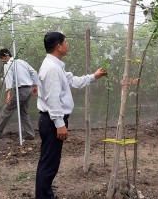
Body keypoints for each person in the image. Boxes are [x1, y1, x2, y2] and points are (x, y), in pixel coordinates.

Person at [35, 32, 107, 199]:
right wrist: (60, 124)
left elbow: (73, 81)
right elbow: (52, 99)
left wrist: (93, 77)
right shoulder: (52, 68)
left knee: (49, 162)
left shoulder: (56, 65)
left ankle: (44, 194)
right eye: (65, 42)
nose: (67, 45)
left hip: (52, 120)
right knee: (49, 164)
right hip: (52, 121)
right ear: (59, 46)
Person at [0, 48, 38, 140]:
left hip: (22, 91)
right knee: (23, 113)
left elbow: (8, 79)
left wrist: (8, 94)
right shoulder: (21, 62)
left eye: (2, 58)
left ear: (6, 56)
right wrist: (34, 86)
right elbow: (34, 72)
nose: (2, 60)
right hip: (28, 89)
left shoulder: (8, 65)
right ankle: (30, 134)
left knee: (7, 110)